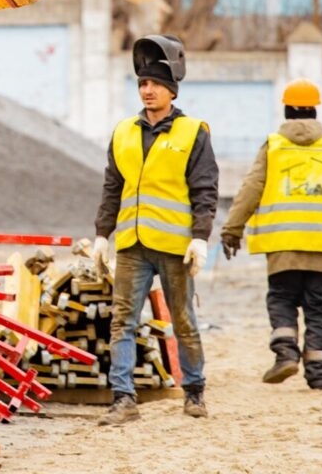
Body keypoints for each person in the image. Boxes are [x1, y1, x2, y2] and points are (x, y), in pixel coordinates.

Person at [93, 34, 218, 425]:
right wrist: (101, 234)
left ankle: (194, 392)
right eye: (143, 84)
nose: (147, 91)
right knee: (122, 320)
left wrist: (200, 237)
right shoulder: (123, 132)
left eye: (155, 84)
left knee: (182, 319)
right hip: (132, 244)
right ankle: (123, 398)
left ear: (171, 90)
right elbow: (113, 187)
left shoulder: (193, 132)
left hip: (175, 245)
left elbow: (205, 189)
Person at [220, 78, 322, 391]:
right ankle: (319, 376)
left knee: (282, 299)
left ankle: (285, 353)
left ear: (287, 110)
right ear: (316, 111)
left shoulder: (273, 146)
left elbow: (251, 189)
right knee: (319, 309)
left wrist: (232, 230)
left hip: (283, 245)